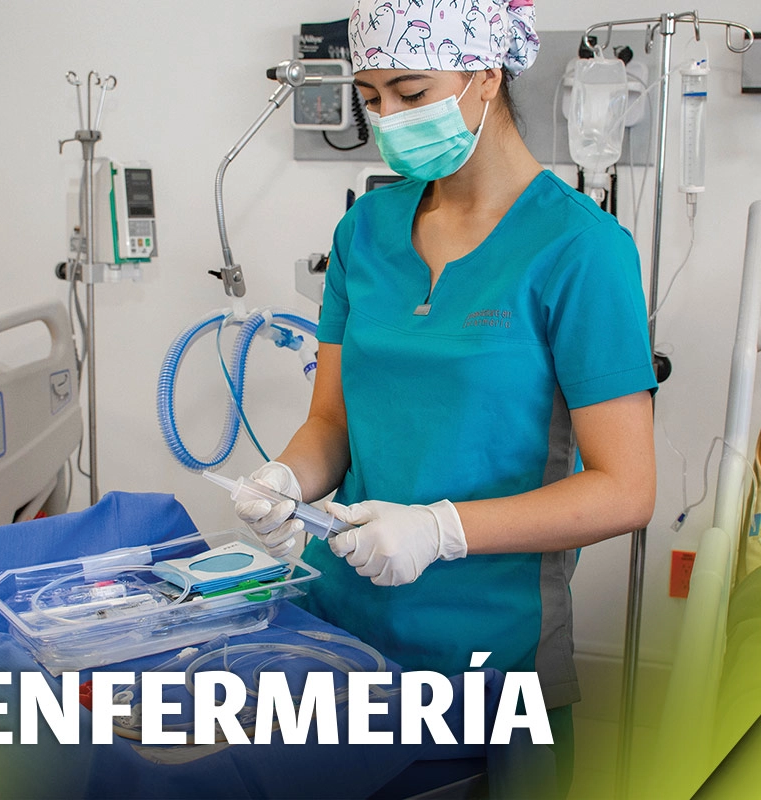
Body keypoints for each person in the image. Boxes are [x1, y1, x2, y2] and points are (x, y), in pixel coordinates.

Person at [235, 0, 657, 794]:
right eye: (371, 97)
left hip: (491, 656)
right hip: (342, 635)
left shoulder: (581, 248)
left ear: (485, 76)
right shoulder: (366, 230)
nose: (389, 118)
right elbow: (331, 421)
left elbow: (626, 490)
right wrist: (287, 479)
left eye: (411, 91)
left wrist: (441, 530)